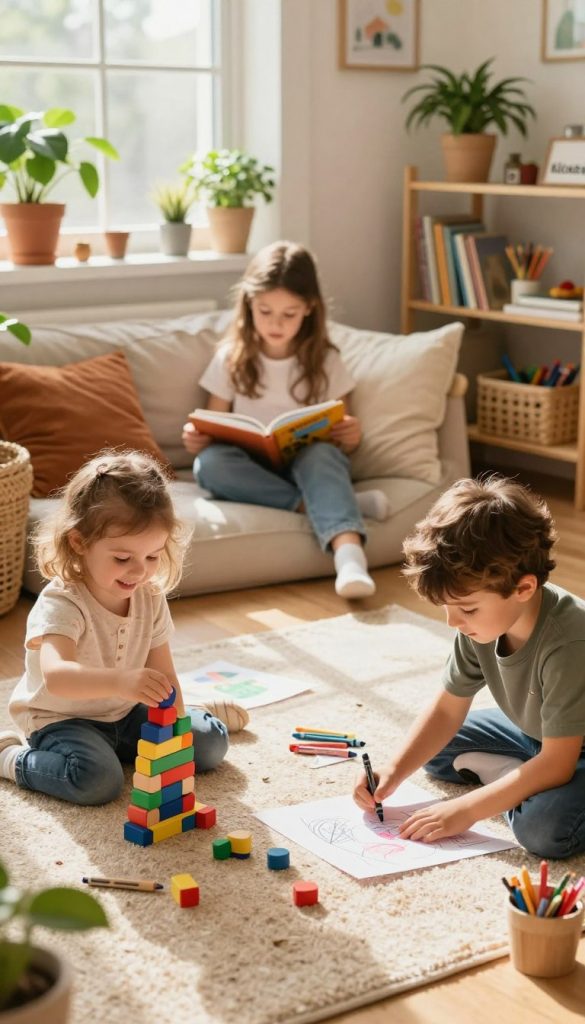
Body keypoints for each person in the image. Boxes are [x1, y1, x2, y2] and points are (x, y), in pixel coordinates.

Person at [353, 475, 585, 859]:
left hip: (570, 751)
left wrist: (470, 809)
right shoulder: (480, 625)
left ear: (523, 588)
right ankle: (516, 777)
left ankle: (516, 782)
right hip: (541, 734)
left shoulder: (570, 642)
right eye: (446, 608)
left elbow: (559, 764)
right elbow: (447, 710)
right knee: (437, 753)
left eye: (466, 609)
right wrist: (391, 772)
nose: (452, 622)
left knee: (543, 829)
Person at [0, 450, 239, 806]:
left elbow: (165, 673)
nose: (139, 571)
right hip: (62, 719)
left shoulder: (149, 596)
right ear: (79, 542)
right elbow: (58, 676)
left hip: (125, 712)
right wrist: (122, 681)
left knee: (208, 746)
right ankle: (10, 757)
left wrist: (175, 727)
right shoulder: (63, 603)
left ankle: (201, 712)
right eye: (123, 558)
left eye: (153, 556)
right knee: (97, 781)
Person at [182, 240, 390, 599]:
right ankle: (339, 504)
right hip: (250, 465)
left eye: (288, 314)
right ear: (249, 303)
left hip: (310, 462)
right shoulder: (231, 357)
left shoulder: (325, 360)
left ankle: (350, 558)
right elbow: (211, 422)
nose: (275, 323)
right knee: (209, 465)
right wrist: (195, 438)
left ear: (309, 309)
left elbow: (345, 436)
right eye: (265, 311)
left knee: (323, 456)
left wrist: (350, 434)